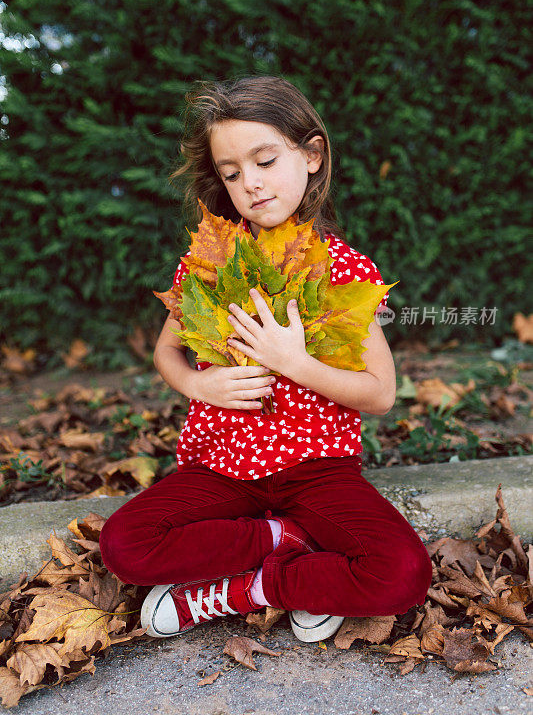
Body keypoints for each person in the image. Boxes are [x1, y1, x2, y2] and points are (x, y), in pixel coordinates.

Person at [99, 75, 432, 643]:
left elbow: (380, 393)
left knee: (402, 574)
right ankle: (283, 542)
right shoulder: (208, 264)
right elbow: (166, 353)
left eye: (265, 160)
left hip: (319, 472)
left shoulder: (343, 271)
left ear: (311, 155)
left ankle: (250, 589)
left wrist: (295, 362)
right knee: (124, 545)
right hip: (221, 468)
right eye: (231, 173)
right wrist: (201, 388)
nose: (250, 184)